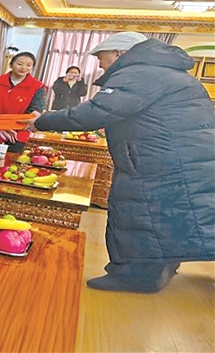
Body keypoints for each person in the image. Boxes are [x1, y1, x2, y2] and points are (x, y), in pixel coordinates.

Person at [22, 32, 215, 293]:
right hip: (178, 158)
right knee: (169, 214)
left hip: (155, 162)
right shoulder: (168, 72)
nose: (100, 65)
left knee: (137, 213)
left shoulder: (139, 73)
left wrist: (43, 120)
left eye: (101, 58)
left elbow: (96, 112)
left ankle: (135, 277)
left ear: (119, 53)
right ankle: (161, 268)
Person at [0, 51, 46, 153]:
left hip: (17, 134)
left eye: (28, 65)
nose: (23, 68)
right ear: (11, 65)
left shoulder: (37, 86)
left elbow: (35, 109)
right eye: (20, 64)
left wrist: (10, 126)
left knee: (10, 160)